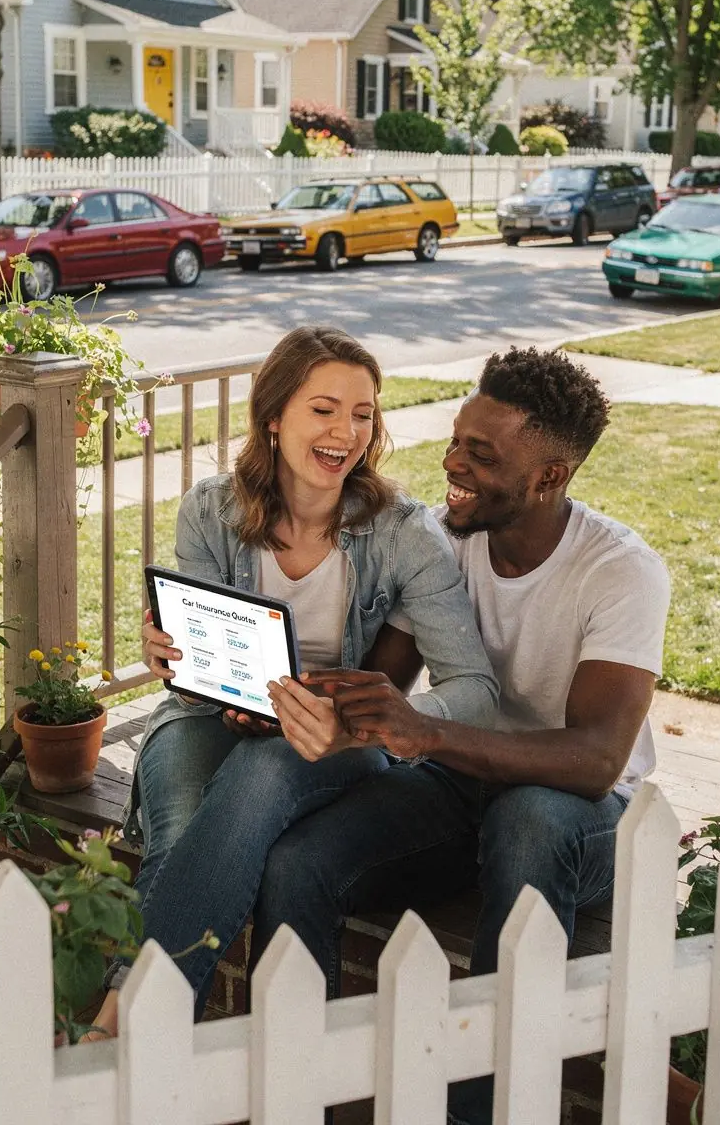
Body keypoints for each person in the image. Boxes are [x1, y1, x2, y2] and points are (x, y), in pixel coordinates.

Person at [253, 345, 671, 1125]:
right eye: (455, 438)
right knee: (300, 861)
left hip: (579, 817)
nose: (452, 462)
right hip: (455, 792)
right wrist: (256, 677)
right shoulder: (442, 542)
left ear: (549, 478)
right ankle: (301, 1098)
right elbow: (380, 687)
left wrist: (425, 735)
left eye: (480, 453)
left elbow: (595, 757)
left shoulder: (619, 571)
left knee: (529, 820)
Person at [89, 325, 498, 1036]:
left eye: (364, 413)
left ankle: (121, 1027)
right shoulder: (210, 510)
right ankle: (157, 1053)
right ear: (274, 416)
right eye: (325, 409)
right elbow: (193, 679)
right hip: (204, 720)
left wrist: (367, 721)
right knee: (188, 835)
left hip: (335, 737)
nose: (348, 431)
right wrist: (173, 663)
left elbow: (475, 691)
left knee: (266, 771)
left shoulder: (403, 532)